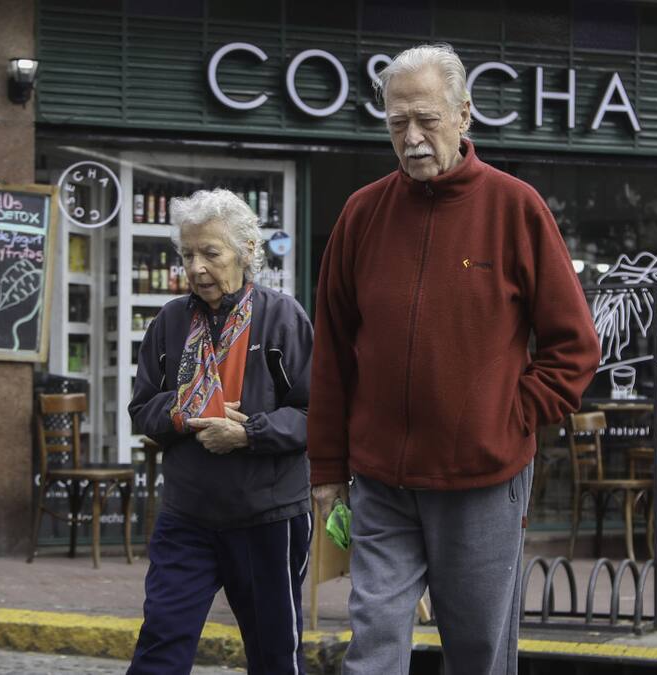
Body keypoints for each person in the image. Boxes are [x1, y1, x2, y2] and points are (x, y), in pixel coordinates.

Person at [307, 44, 601, 674]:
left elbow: (574, 347)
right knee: (373, 644)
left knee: (478, 653)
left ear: (464, 115)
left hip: (483, 483)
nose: (411, 138)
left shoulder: (515, 208)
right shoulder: (362, 214)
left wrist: (509, 415)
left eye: (427, 120)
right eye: (396, 124)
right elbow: (331, 352)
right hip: (381, 482)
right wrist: (327, 472)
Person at [128, 188, 314, 674]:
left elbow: (317, 414)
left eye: (210, 252)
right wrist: (182, 411)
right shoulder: (169, 322)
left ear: (247, 252)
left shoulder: (282, 318)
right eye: (188, 254)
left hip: (268, 517)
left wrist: (250, 432)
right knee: (161, 642)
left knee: (275, 654)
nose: (196, 267)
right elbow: (142, 408)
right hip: (187, 517)